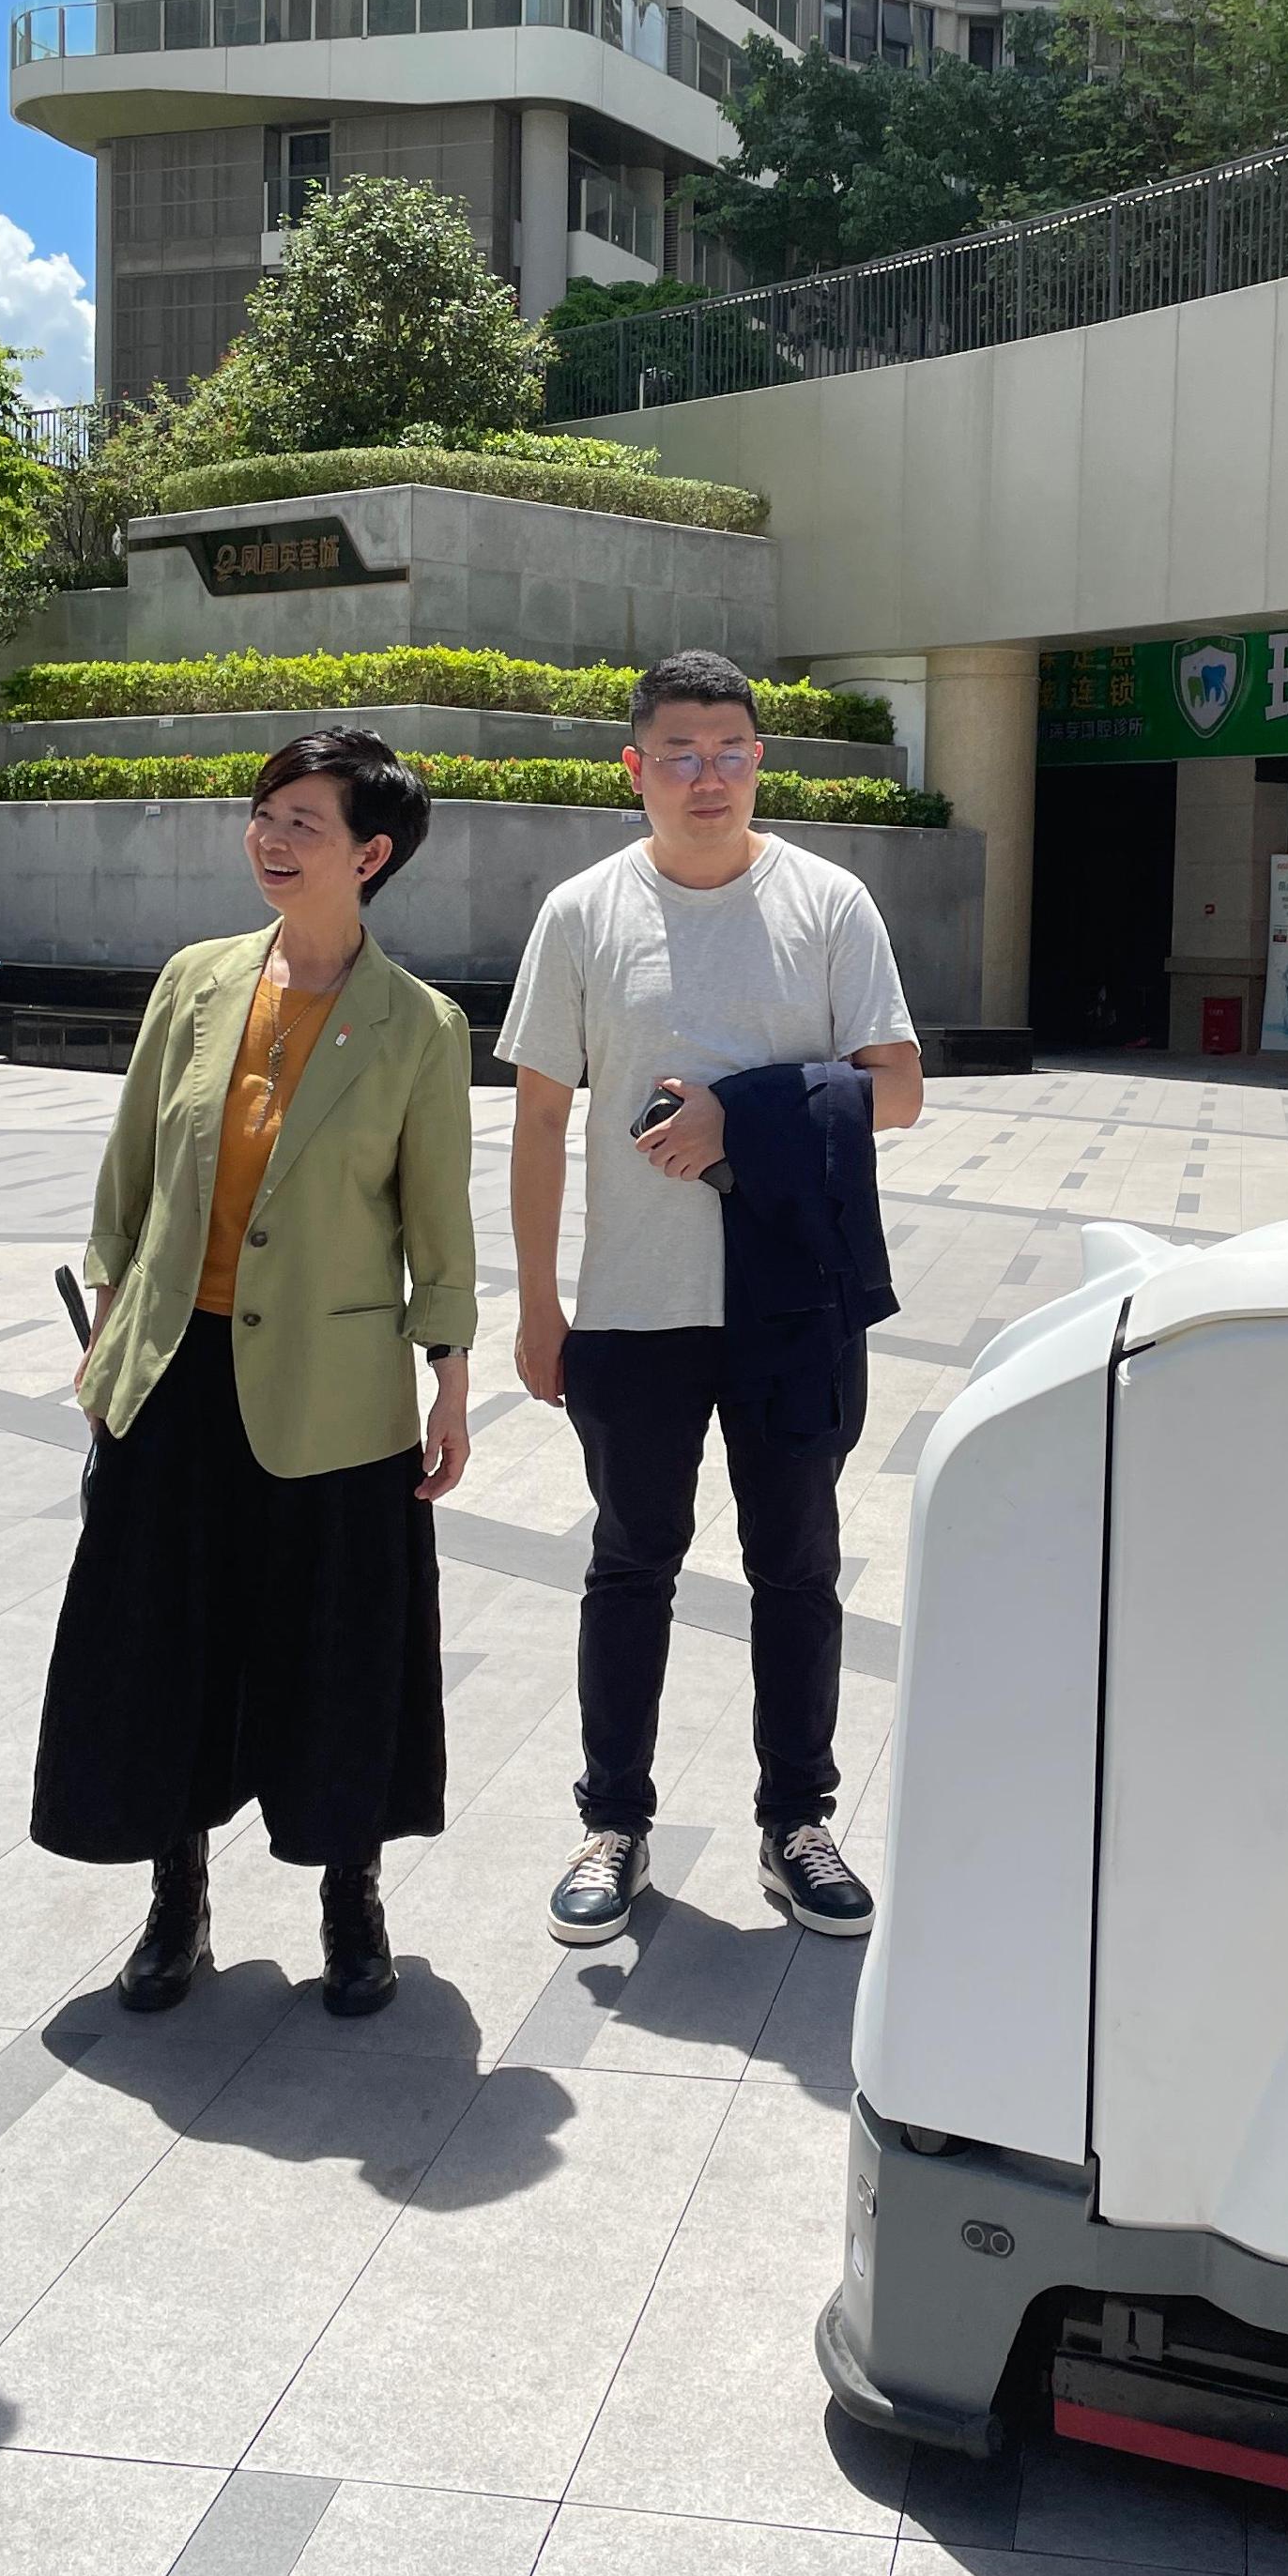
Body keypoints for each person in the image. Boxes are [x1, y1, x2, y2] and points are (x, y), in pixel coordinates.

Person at [32, 730, 479, 2017]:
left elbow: (438, 1222)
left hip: (337, 1398)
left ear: (371, 853)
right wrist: (114, 1323)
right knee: (166, 1639)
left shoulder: (420, 1026)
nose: (271, 840)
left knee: (336, 1647)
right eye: (263, 814)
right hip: (174, 1375)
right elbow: (130, 1174)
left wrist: (448, 1378)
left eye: (303, 822)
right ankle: (177, 1901)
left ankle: (351, 1897)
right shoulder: (195, 982)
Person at [501, 648, 923, 1950]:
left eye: (731, 750)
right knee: (630, 1566)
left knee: (795, 1569)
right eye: (678, 753)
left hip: (792, 1305)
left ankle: (798, 1821)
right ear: (633, 769)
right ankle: (611, 1822)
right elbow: (535, 1119)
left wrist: (742, 1114)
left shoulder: (831, 903)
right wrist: (535, 1305)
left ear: (761, 760)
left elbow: (898, 1089)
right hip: (633, 1309)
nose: (707, 776)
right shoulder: (583, 913)